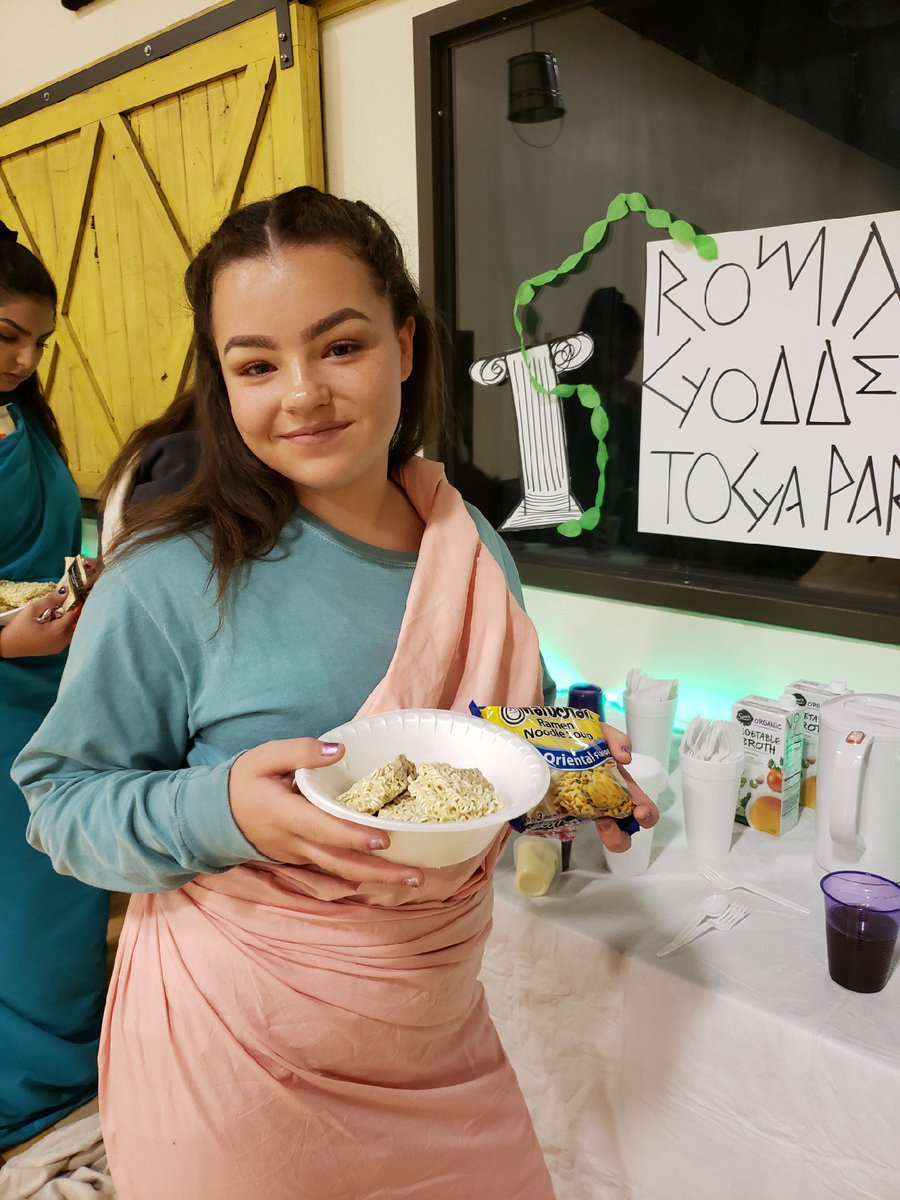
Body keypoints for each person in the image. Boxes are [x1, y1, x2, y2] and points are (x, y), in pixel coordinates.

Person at [13, 188, 658, 1199]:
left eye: (341, 346)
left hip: (439, 1048)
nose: (302, 392)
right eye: (257, 364)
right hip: (239, 1077)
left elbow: (488, 736)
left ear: (405, 344)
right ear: (222, 384)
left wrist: (575, 777)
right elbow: (60, 805)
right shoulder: (171, 577)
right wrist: (221, 806)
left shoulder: (469, 540)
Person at [0, 224, 108, 1156]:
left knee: (64, 887)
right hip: (3, 686)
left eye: (37, 340)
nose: (24, 358)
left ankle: (65, 1074)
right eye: (4, 334)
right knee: (17, 907)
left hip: (54, 683)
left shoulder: (23, 413)